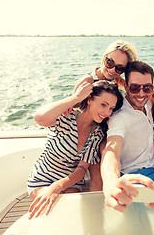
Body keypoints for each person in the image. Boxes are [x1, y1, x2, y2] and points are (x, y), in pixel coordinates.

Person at [27, 80, 123, 219]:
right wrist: (75, 98)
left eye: (111, 108)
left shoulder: (97, 133)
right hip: (42, 178)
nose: (107, 112)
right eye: (103, 105)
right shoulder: (67, 116)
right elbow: (40, 118)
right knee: (53, 209)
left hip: (69, 182)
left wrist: (57, 186)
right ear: (89, 100)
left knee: (72, 212)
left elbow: (81, 170)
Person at [101, 61, 154, 213]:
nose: (141, 94)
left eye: (147, 87)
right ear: (126, 87)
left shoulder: (150, 103)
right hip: (130, 175)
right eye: (135, 87)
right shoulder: (119, 117)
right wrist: (110, 182)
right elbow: (111, 149)